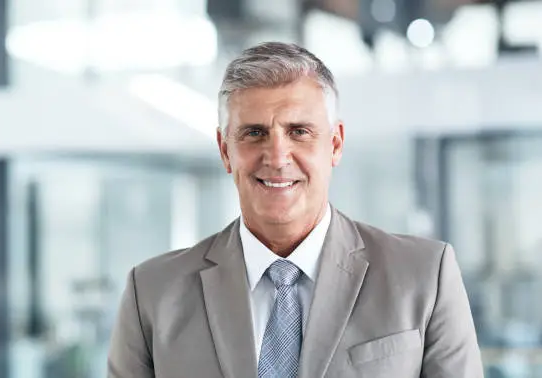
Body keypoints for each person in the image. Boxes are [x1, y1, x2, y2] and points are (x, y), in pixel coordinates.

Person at [107, 42, 484, 378]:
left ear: (335, 144)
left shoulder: (424, 276)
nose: (277, 157)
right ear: (225, 151)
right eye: (254, 133)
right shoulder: (153, 293)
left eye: (299, 132)